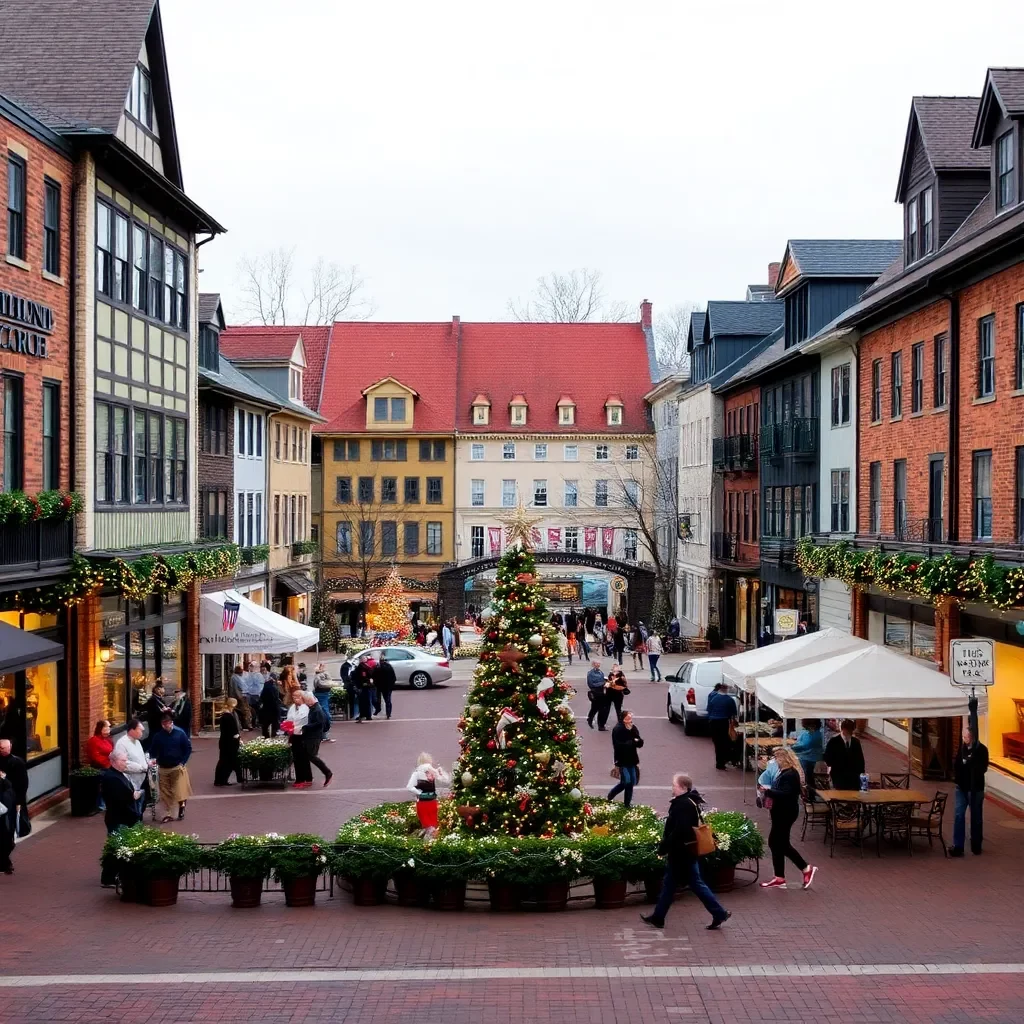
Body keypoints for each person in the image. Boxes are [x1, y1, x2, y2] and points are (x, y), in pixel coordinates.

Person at [641, 773, 730, 931]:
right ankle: (658, 917)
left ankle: (719, 913)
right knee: (673, 884)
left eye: (674, 785)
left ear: (682, 787)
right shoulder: (689, 801)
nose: (672, 788)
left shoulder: (683, 804)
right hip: (685, 851)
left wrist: (664, 846)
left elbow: (679, 830)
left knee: (692, 884)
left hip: (681, 852)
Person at [759, 747, 817, 890]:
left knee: (779, 843)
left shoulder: (790, 774)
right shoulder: (785, 773)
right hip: (781, 813)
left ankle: (805, 868)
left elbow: (786, 793)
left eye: (776, 758)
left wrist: (768, 791)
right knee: (776, 843)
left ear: (782, 759)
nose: (774, 762)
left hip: (785, 813)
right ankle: (780, 877)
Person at [99, 749, 143, 886]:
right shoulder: (112, 778)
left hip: (122, 817)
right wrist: (134, 795)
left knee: (118, 847)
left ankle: (114, 875)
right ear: (114, 761)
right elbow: (122, 798)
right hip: (119, 819)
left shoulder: (118, 775)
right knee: (117, 848)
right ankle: (108, 877)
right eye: (123, 761)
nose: (126, 763)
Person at [950, 724, 989, 857]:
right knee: (959, 815)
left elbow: (982, 768)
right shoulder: (962, 749)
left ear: (972, 737)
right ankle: (958, 846)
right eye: (963, 736)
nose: (964, 738)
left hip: (975, 789)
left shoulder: (982, 750)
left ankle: (976, 844)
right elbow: (957, 765)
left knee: (976, 817)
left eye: (966, 736)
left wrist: (970, 767)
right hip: (961, 788)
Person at [147, 712, 193, 823]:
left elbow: (188, 748)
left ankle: (181, 808)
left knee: (180, 790)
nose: (166, 726)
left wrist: (183, 762)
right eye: (164, 724)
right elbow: (153, 751)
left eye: (168, 724)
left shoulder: (180, 734)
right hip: (163, 768)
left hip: (177, 767)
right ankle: (169, 813)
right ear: (162, 725)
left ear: (172, 723)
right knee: (165, 791)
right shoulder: (158, 736)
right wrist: (152, 759)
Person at [113, 719, 152, 816]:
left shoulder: (137, 742)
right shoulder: (122, 743)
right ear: (132, 730)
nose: (142, 732)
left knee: (141, 805)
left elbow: (140, 757)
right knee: (132, 807)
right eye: (140, 730)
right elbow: (122, 763)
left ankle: (138, 820)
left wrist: (147, 763)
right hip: (130, 781)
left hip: (141, 779)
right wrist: (141, 768)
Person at [608, 711, 644, 808]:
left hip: (632, 759)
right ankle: (611, 795)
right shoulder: (618, 729)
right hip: (622, 760)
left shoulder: (633, 728)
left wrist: (637, 740)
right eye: (628, 719)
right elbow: (619, 745)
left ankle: (627, 804)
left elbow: (639, 742)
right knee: (626, 781)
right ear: (623, 719)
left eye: (630, 719)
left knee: (631, 781)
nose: (630, 721)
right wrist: (633, 742)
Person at [406, 752, 450, 832]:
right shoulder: (432, 772)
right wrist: (441, 772)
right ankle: (434, 841)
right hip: (432, 801)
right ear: (430, 761)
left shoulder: (416, 773)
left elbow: (409, 787)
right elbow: (446, 780)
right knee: (434, 824)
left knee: (426, 825)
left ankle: (428, 841)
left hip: (422, 802)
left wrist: (419, 792)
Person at [0, 739, 28, 859]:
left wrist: (19, 802)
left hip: (12, 799)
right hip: (3, 799)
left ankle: (8, 847)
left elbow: (22, 784)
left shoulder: (17, 763)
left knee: (10, 826)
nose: (0, 750)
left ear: (9, 747)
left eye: (2, 748)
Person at [301, 692, 333, 787]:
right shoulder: (314, 708)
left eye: (306, 701)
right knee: (309, 755)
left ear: (310, 700)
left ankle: (327, 772)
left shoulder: (317, 710)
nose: (305, 703)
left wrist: (305, 727)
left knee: (312, 755)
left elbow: (320, 723)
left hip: (314, 736)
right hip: (312, 735)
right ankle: (309, 777)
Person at [823, 718, 865, 791]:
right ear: (842, 729)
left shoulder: (855, 742)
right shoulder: (834, 741)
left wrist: (861, 774)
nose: (849, 733)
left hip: (854, 777)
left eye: (851, 731)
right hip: (839, 775)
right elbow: (827, 758)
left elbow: (860, 760)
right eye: (847, 730)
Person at [706, 684, 737, 771]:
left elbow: (708, 709)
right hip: (723, 722)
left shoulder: (713, 698)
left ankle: (719, 762)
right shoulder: (729, 700)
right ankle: (723, 761)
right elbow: (733, 714)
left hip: (713, 722)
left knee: (717, 743)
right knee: (724, 742)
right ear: (726, 690)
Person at [791, 720, 824, 800]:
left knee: (808, 778)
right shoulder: (812, 733)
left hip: (809, 758)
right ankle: (810, 795)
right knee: (808, 778)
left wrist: (793, 746)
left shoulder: (814, 734)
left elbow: (806, 745)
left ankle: (810, 796)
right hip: (809, 757)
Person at [285, 690, 312, 787]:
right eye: (293, 696)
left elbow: (304, 721)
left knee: (303, 757)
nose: (295, 698)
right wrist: (287, 726)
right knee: (296, 757)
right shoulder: (292, 707)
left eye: (297, 696)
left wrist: (295, 728)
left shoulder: (305, 708)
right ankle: (299, 778)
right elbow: (289, 719)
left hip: (302, 735)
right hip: (293, 735)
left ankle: (306, 778)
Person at [214, 698, 242, 787]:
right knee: (229, 762)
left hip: (225, 742)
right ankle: (222, 780)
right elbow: (233, 731)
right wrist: (237, 738)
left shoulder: (225, 716)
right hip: (230, 743)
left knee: (225, 761)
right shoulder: (228, 717)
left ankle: (221, 780)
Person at [86, 719, 113, 811]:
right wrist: (108, 763)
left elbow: (112, 751)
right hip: (100, 768)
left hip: (109, 766)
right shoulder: (94, 741)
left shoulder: (108, 740)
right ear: (101, 728)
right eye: (107, 727)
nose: (109, 729)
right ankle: (101, 804)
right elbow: (95, 757)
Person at [312, 662, 335, 740]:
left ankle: (323, 734)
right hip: (321, 694)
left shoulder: (323, 674)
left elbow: (328, 681)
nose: (323, 667)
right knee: (325, 714)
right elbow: (320, 684)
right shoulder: (318, 675)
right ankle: (323, 733)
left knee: (324, 713)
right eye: (321, 666)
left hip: (324, 694)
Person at [258, 671, 284, 738]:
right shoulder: (274, 687)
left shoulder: (266, 686)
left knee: (265, 725)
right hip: (274, 708)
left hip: (266, 708)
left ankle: (265, 737)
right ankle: (273, 736)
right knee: (274, 723)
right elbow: (277, 697)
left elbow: (262, 697)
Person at [585, 660, 609, 730]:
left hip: (601, 692)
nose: (598, 665)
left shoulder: (600, 672)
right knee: (596, 708)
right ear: (593, 664)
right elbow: (591, 684)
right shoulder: (590, 673)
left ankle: (599, 724)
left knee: (599, 709)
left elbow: (602, 680)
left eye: (599, 663)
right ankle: (592, 720)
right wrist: (602, 683)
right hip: (595, 693)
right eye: (597, 663)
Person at [372, 654, 397, 720]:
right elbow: (394, 678)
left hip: (380, 687)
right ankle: (388, 713)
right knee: (387, 700)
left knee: (378, 700)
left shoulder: (378, 668)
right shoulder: (389, 667)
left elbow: (373, 676)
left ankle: (379, 709)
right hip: (387, 687)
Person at [353, 655, 376, 722]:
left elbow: (361, 677)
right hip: (366, 686)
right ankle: (367, 715)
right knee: (367, 701)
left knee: (363, 702)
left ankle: (363, 715)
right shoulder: (365, 667)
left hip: (363, 686)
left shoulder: (362, 667)